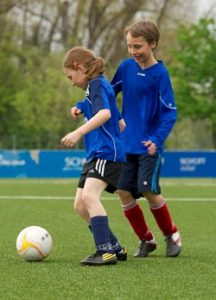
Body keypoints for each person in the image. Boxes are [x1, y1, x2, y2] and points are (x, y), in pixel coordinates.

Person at [111, 21, 182, 257]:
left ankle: (171, 234)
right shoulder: (125, 67)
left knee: (149, 190)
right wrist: (83, 106)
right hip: (126, 144)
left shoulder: (160, 74)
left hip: (148, 147)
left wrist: (156, 139)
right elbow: (108, 96)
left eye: (138, 46)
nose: (133, 51)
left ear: (153, 44)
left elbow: (170, 112)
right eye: (129, 46)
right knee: (122, 191)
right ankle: (146, 240)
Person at [61, 46, 127, 266]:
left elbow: (106, 113)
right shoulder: (95, 87)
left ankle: (104, 251)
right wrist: (79, 107)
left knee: (89, 197)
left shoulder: (98, 85)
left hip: (106, 153)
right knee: (80, 205)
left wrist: (79, 131)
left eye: (71, 76)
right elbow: (120, 123)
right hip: (97, 153)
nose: (71, 82)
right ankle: (115, 246)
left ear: (79, 67)